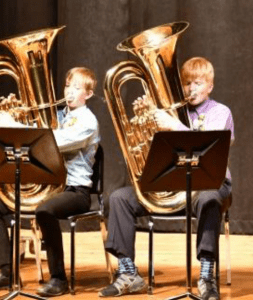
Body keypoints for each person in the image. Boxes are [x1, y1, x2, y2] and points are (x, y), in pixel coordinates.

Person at [99, 57, 234, 300]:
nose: (191, 88)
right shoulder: (170, 111)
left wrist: (172, 126)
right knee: (120, 198)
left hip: (210, 184)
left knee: (209, 199)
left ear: (210, 87)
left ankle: (206, 274)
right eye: (187, 83)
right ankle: (129, 273)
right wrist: (146, 126)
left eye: (198, 83)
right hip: (172, 185)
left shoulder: (219, 112)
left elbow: (210, 146)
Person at [0, 67, 100, 297]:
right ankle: (7, 272)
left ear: (88, 94)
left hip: (75, 191)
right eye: (67, 86)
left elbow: (50, 142)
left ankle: (58, 279)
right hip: (47, 187)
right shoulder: (58, 116)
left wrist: (16, 126)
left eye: (77, 88)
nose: (69, 92)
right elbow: (38, 134)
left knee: (45, 212)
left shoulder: (87, 121)